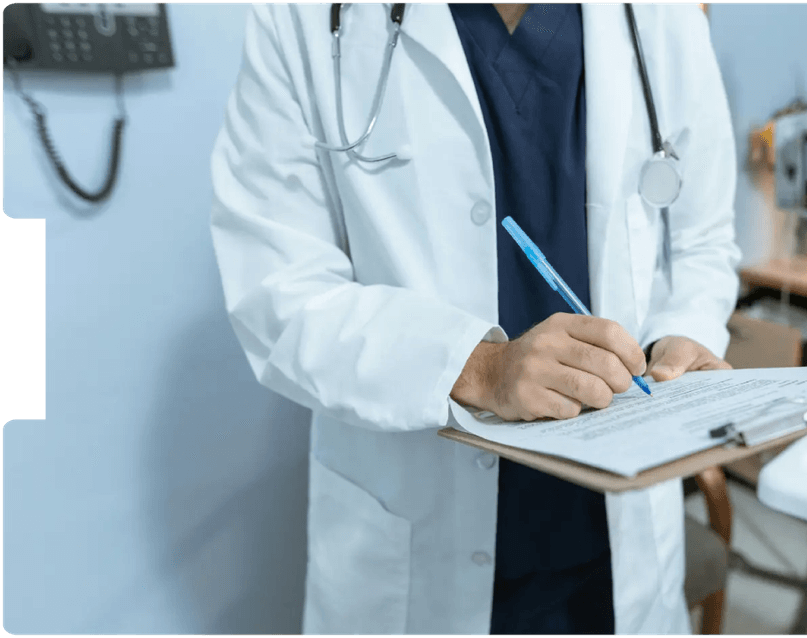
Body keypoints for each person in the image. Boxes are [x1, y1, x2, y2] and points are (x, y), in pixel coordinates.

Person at [209, 2, 740, 635]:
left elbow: (702, 240)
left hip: (613, 547)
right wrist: (480, 366)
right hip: (414, 541)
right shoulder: (300, 17)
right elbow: (278, 292)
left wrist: (682, 336)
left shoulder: (661, 15)